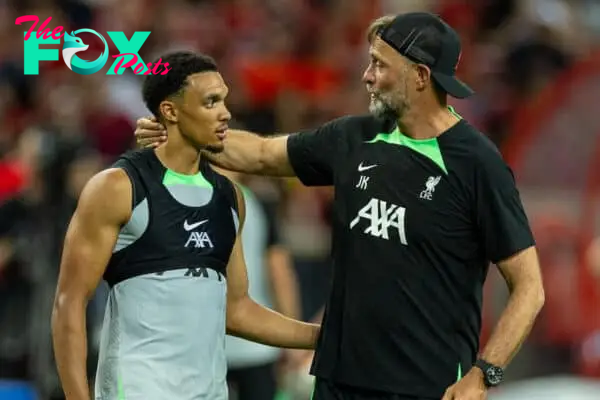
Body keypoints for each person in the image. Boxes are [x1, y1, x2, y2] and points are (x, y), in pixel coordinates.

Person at [135, 13, 545, 400]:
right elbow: (259, 154)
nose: (367, 76)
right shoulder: (353, 137)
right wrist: (183, 129)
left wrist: (484, 373)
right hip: (339, 379)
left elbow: (529, 287)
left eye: (380, 65)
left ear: (420, 76)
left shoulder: (477, 164)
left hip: (427, 385)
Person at [51, 51, 319, 400]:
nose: (226, 113)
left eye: (224, 99)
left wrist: (321, 337)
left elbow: (237, 310)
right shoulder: (118, 188)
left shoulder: (230, 198)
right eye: (211, 102)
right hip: (136, 390)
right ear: (170, 111)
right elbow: (69, 304)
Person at [222, 170, 303, 400]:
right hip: (256, 342)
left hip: (201, 347)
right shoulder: (258, 203)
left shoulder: (181, 198)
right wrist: (291, 338)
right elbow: (279, 271)